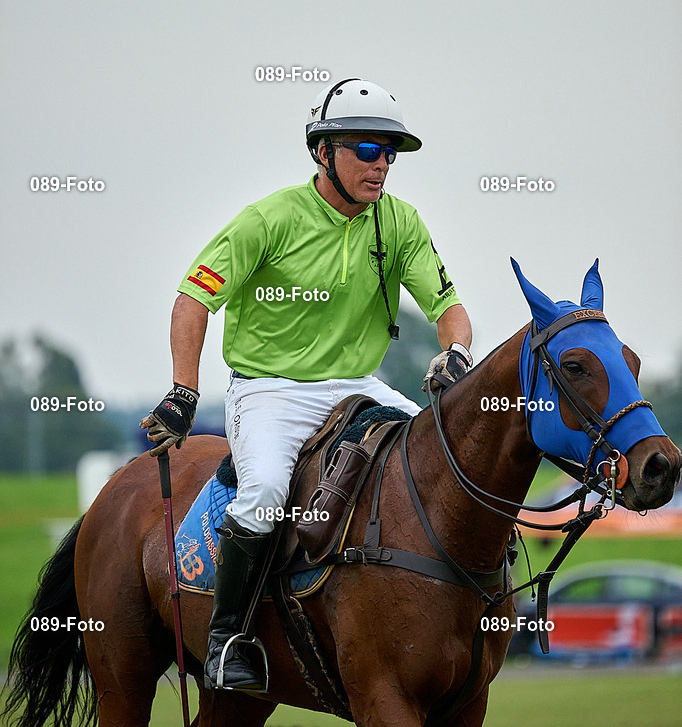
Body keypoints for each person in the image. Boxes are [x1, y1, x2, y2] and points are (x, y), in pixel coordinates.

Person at [140, 78, 473, 692]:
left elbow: (449, 305)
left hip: (358, 384)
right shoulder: (268, 219)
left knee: (445, 453)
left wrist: (455, 352)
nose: (382, 165)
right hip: (269, 390)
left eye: (390, 152)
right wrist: (184, 389)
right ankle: (226, 640)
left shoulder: (399, 223)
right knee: (266, 491)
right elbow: (193, 298)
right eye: (367, 149)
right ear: (324, 152)